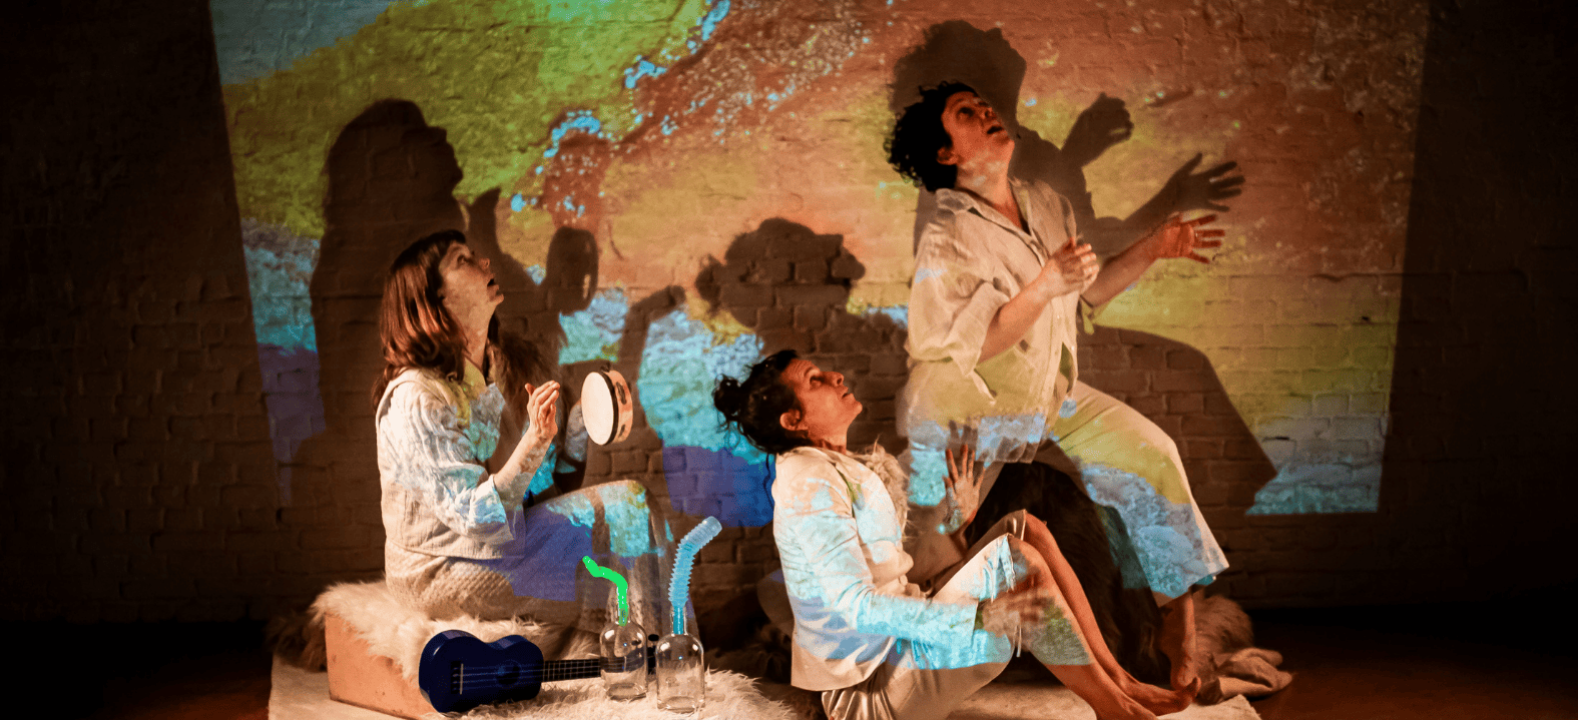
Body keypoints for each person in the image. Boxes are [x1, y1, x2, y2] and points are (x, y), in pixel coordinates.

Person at [887, 83, 1230, 693]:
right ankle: (899, 657)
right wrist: (1043, 285)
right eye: (966, 113)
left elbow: (1087, 292)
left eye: (984, 104)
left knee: (1153, 454)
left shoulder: (1045, 203)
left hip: (1049, 396)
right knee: (924, 542)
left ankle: (1180, 631)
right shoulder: (947, 236)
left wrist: (1155, 246)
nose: (986, 112)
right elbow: (970, 344)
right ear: (946, 153)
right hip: (973, 410)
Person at [714, 350, 1194, 720]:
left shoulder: (835, 466)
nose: (836, 377)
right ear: (793, 421)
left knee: (1026, 527)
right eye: (814, 381)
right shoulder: (809, 483)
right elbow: (855, 605)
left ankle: (1116, 681)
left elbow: (890, 573)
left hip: (893, 650)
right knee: (1016, 560)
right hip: (866, 691)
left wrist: (957, 524)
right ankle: (1114, 709)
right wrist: (978, 617)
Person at [372, 230, 663, 647]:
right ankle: (652, 657)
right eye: (462, 260)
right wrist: (533, 443)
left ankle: (643, 651)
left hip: (491, 546)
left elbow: (539, 494)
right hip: (437, 569)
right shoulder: (417, 398)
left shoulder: (488, 374)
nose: (484, 263)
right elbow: (479, 518)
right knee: (627, 507)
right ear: (435, 299)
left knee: (626, 512)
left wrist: (577, 424)